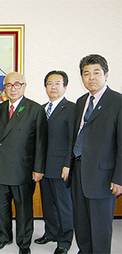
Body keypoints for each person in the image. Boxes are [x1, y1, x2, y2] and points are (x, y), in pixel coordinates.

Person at [0, 72, 47, 254]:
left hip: (23, 168)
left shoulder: (35, 109)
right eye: (8, 85)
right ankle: (4, 237)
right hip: (0, 166)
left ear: (24, 86)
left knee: (23, 209)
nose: (13, 88)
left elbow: (41, 142)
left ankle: (23, 243)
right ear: (4, 88)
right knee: (2, 207)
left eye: (17, 84)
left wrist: (38, 168)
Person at [70, 54, 122, 254]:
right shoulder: (81, 101)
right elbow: (75, 137)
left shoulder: (117, 101)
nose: (91, 77)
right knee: (81, 222)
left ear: (106, 74)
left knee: (100, 226)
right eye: (86, 73)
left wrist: (119, 178)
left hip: (103, 176)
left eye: (96, 72)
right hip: (79, 171)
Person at [34, 70, 75, 254]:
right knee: (48, 203)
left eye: (58, 83)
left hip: (61, 168)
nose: (53, 87)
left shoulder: (72, 109)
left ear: (65, 86)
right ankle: (50, 233)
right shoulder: (41, 109)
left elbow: (72, 140)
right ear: (45, 87)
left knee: (64, 206)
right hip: (43, 167)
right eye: (50, 83)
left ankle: (65, 241)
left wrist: (68, 164)